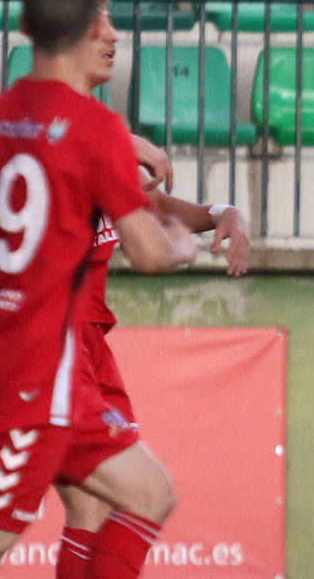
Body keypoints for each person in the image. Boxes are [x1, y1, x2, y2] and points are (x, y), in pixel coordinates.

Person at [0, 0, 198, 579]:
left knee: (149, 493)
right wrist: (185, 238)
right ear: (88, 29)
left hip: (5, 362)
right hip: (36, 379)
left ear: (25, 29)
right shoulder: (93, 129)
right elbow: (151, 252)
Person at [55, 43, 252, 579]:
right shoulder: (38, 125)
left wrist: (219, 213)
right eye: (99, 22)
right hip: (51, 346)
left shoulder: (94, 130)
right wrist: (123, 139)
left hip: (85, 344)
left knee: (89, 509)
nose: (113, 36)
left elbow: (151, 207)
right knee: (147, 495)